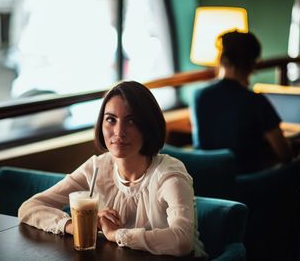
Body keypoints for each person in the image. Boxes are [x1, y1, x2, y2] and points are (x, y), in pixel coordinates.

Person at [18, 81, 207, 258]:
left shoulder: (169, 174)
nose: (118, 132)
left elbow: (183, 241)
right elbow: (29, 207)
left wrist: (115, 234)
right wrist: (77, 225)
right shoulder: (96, 167)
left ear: (148, 125)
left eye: (131, 121)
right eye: (111, 119)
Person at [192, 30, 292, 174]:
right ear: (252, 64)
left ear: (221, 60)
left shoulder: (199, 96)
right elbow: (285, 154)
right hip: (246, 185)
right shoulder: (256, 101)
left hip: (209, 180)